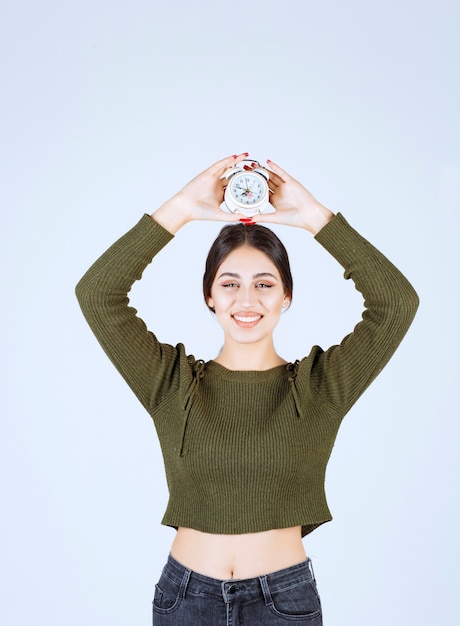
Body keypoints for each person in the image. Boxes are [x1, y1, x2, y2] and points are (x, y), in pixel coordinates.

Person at [75, 153, 419, 625]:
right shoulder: (172, 384)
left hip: (283, 601)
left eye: (264, 283)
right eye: (230, 283)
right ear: (210, 296)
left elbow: (396, 303)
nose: (246, 300)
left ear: (286, 296)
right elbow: (97, 293)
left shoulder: (319, 388)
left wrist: (315, 218)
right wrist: (183, 206)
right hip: (185, 599)